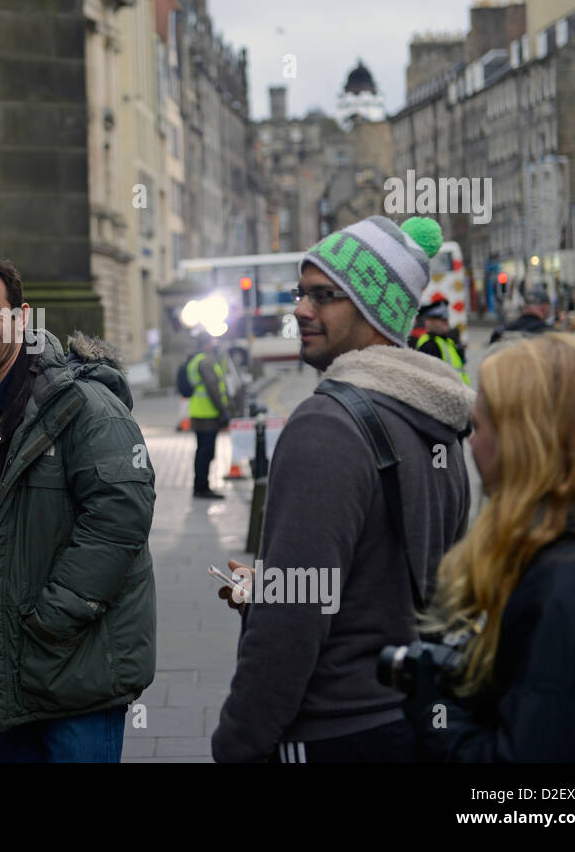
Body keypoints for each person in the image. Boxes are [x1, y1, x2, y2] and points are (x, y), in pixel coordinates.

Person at [211, 215, 473, 763]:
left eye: (324, 295)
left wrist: (237, 743)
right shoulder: (436, 419)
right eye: (300, 293)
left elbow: (292, 621)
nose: (301, 310)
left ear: (376, 310)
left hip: (332, 727)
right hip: (411, 715)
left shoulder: (325, 425)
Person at [0, 257, 156, 762]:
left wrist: (53, 618)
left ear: (22, 317)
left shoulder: (83, 403)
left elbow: (120, 517)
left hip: (75, 661)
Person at [404, 333, 575, 760]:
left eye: (480, 426)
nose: (470, 442)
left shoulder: (568, 584)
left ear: (529, 439)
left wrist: (434, 710)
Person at [186, 332, 232, 498]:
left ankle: (200, 486)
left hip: (199, 412)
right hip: (208, 414)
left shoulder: (196, 360)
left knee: (202, 452)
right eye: (212, 341)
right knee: (206, 453)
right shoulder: (207, 361)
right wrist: (223, 410)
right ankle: (202, 488)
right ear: (206, 344)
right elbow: (213, 388)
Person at [412, 299, 469, 385]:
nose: (445, 321)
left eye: (446, 318)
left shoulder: (448, 341)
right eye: (440, 318)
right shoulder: (429, 345)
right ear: (428, 322)